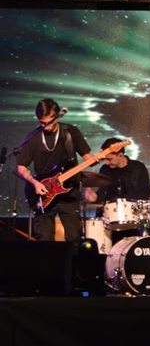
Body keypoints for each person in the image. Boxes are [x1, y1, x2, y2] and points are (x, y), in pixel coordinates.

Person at [16, 98, 94, 248]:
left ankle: (73, 264)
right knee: (44, 240)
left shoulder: (70, 132)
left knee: (74, 238)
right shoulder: (33, 137)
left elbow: (87, 157)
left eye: (49, 122)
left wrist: (98, 158)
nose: (46, 127)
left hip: (69, 193)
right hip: (44, 194)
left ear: (57, 116)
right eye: (42, 123)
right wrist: (35, 183)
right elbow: (21, 167)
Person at [84, 137, 150, 204]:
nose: (107, 163)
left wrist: (120, 202)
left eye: (109, 159)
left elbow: (144, 194)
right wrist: (95, 198)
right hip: (109, 210)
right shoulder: (105, 169)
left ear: (120, 155)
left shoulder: (138, 168)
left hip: (131, 209)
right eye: (105, 159)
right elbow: (104, 194)